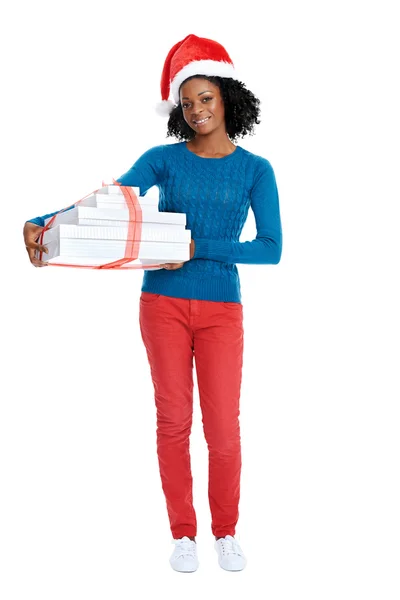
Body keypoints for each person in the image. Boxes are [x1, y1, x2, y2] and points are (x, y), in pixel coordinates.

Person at [23, 34, 283, 573]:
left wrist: (196, 247)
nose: (196, 111)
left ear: (228, 98)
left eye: (206, 98)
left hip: (220, 311)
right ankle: (183, 533)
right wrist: (44, 220)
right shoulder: (163, 160)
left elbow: (271, 249)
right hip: (161, 305)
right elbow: (107, 201)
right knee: (173, 421)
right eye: (186, 103)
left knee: (223, 428)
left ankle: (226, 531)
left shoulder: (256, 169)